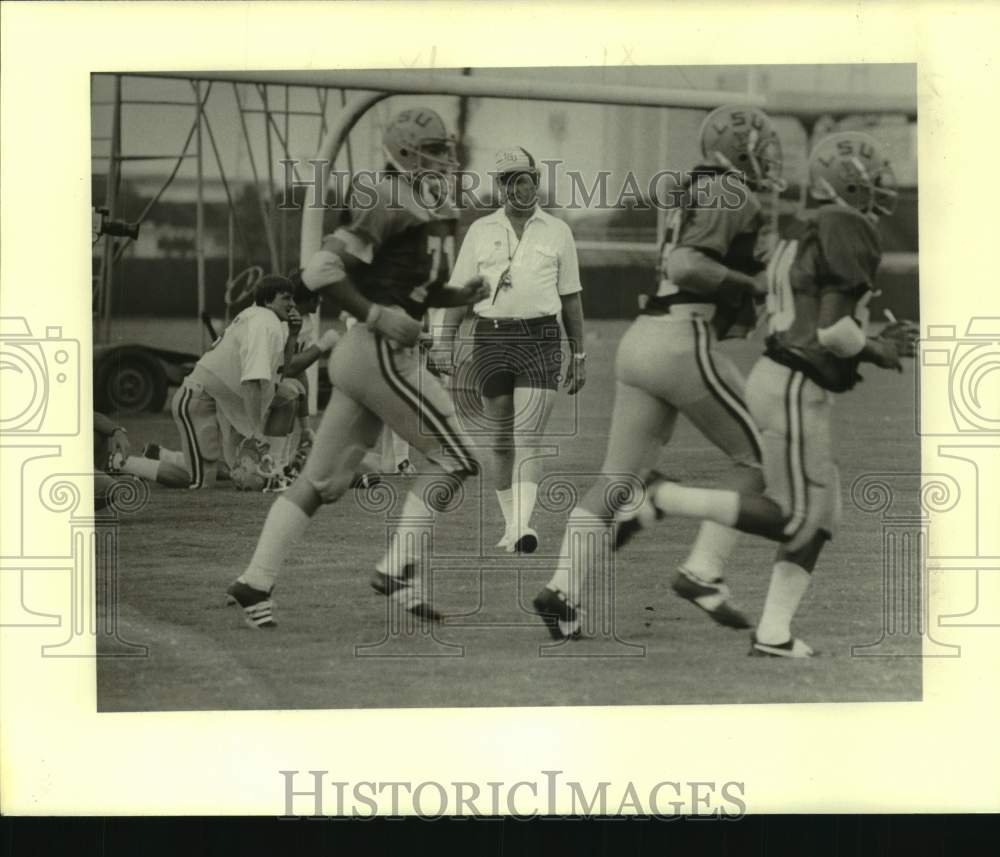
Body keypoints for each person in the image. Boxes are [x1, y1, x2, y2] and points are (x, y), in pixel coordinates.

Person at [613, 131, 903, 657]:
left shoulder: (807, 222)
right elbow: (834, 330)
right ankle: (661, 496)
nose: (883, 188)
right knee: (796, 518)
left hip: (784, 376)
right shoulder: (847, 224)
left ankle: (773, 633)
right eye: (873, 179)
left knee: (823, 515)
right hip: (796, 382)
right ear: (848, 185)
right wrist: (878, 350)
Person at [226, 106, 490, 629]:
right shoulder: (386, 198)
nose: (445, 158)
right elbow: (321, 269)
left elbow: (416, 287)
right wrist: (376, 315)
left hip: (366, 355)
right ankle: (396, 569)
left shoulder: (425, 205)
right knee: (458, 457)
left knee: (321, 481)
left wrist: (461, 293)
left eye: (445, 148)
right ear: (407, 152)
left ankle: (253, 580)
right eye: (435, 149)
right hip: (377, 352)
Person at [532, 105, 783, 638]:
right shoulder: (731, 191)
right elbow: (687, 265)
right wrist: (752, 283)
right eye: (759, 146)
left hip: (641, 337)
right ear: (739, 149)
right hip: (679, 339)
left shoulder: (697, 186)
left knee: (615, 479)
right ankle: (703, 572)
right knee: (757, 458)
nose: (767, 157)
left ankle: (561, 591)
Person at [429, 147, 586, 554]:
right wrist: (444, 344)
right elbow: (461, 294)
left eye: (528, 177)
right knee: (499, 441)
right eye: (513, 179)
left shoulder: (558, 230)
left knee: (528, 435)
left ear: (536, 180)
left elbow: (571, 299)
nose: (523, 186)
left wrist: (579, 354)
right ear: (500, 186)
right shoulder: (480, 231)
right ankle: (510, 526)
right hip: (491, 338)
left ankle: (521, 527)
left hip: (541, 339)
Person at [117, 275, 316, 489]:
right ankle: (122, 463)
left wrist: (293, 337)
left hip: (221, 399)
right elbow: (251, 383)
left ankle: (164, 456)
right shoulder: (264, 323)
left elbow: (280, 373)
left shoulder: (268, 321)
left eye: (292, 298)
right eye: (286, 298)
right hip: (199, 398)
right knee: (202, 481)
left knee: (287, 394)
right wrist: (257, 432)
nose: (293, 304)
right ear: (268, 301)